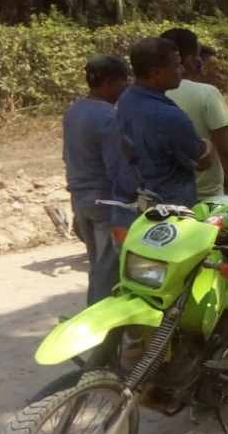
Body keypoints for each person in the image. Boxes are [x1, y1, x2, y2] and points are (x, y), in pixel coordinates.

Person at [112, 37, 212, 231]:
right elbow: (202, 161)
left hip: (132, 210)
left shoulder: (126, 99)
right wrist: (207, 145)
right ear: (156, 73)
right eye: (176, 66)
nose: (182, 70)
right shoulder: (170, 117)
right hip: (169, 217)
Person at [64, 55, 131, 305]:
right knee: (110, 269)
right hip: (103, 200)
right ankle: (104, 333)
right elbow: (114, 168)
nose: (126, 88)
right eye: (123, 82)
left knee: (96, 264)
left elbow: (67, 155)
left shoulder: (73, 110)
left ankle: (95, 317)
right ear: (109, 82)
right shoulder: (108, 117)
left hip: (79, 197)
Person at [161, 28, 228, 200]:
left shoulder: (141, 95)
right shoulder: (207, 93)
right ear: (192, 60)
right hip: (205, 197)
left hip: (160, 198)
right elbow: (227, 150)